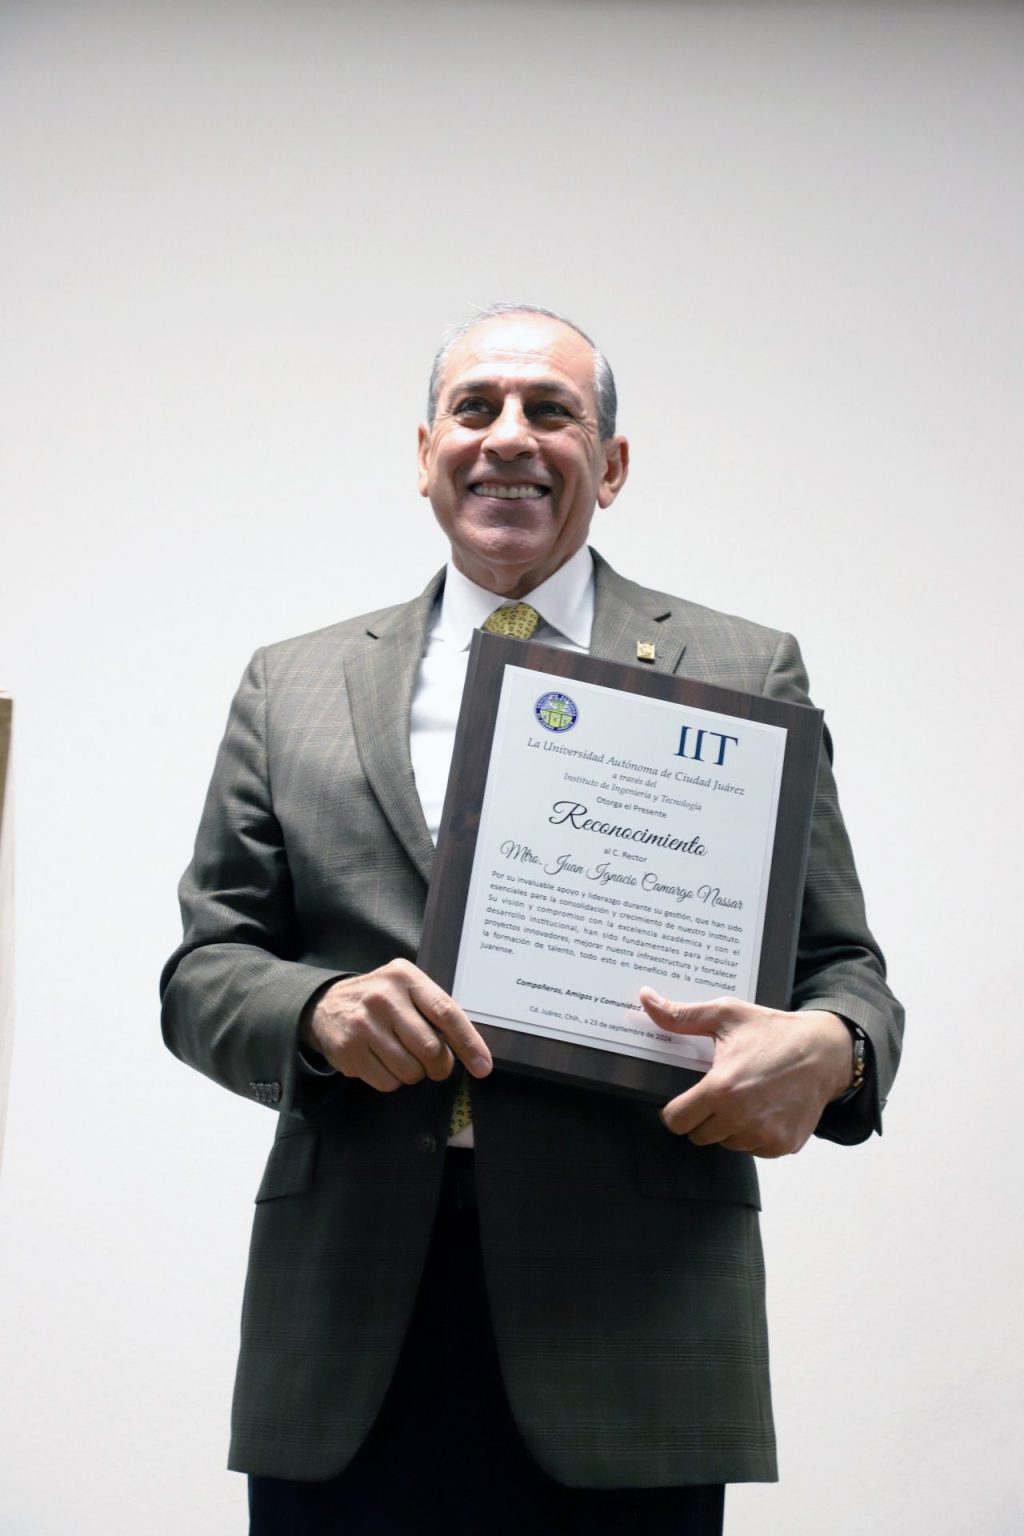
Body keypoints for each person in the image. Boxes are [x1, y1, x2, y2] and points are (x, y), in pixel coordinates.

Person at [161, 304, 903, 1535]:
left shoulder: (742, 667)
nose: (508, 436)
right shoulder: (290, 683)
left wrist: (833, 1050)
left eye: (551, 411)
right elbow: (205, 969)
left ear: (609, 465)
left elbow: (843, 970)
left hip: (637, 1325)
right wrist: (317, 1009)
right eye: (476, 407)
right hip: (346, 1322)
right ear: (425, 454)